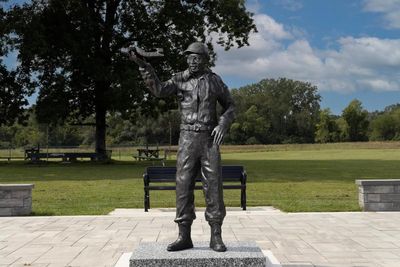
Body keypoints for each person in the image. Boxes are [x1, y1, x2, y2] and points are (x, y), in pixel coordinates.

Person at [129, 42, 235, 252]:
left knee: (213, 186)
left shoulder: (214, 81)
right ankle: (184, 236)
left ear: (205, 59)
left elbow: (230, 105)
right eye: (189, 58)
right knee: (183, 186)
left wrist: (223, 123)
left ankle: (216, 235)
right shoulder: (179, 79)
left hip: (208, 140)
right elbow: (159, 90)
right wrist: (144, 66)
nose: (192, 61)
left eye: (196, 58)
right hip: (187, 138)